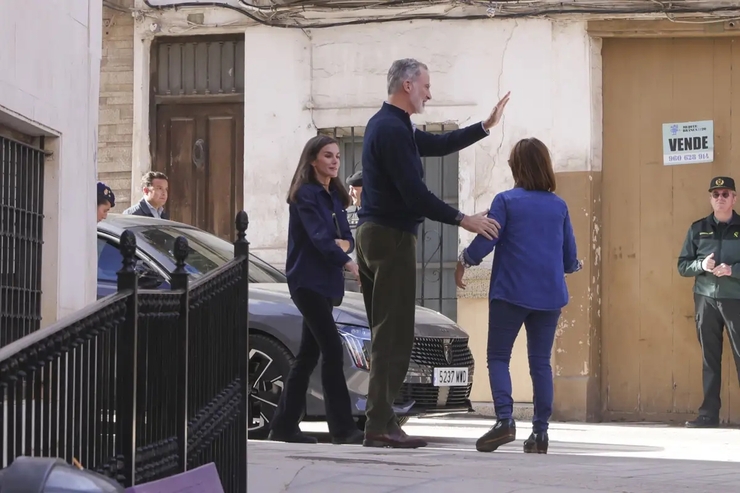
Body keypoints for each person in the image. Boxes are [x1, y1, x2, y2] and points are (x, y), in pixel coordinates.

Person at [356, 57, 509, 449]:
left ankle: (384, 420)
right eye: (425, 85)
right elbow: (415, 195)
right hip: (390, 237)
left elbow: (439, 145)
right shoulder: (391, 128)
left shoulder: (392, 124)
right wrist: (464, 219)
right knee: (395, 335)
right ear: (407, 85)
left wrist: (484, 126)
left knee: (385, 334)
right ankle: (378, 424)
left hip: (375, 234)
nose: (430, 92)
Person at [455, 137, 581, 454]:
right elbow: (569, 259)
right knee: (540, 363)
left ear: (516, 167)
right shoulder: (559, 205)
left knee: (498, 357)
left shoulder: (506, 201)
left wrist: (464, 262)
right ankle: (540, 435)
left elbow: (486, 240)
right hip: (550, 297)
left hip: (510, 293)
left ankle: (505, 421)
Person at [268, 135, 364, 445]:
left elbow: (346, 236)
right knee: (333, 349)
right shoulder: (305, 196)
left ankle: (283, 426)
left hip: (327, 283)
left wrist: (343, 246)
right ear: (312, 160)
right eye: (327, 156)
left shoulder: (335, 197)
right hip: (306, 281)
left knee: (307, 356)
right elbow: (321, 238)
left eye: (337, 155)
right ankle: (342, 429)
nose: (335, 161)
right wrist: (348, 261)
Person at [677, 176, 740, 429]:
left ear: (734, 198)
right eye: (716, 194)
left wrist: (733, 271)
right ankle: (708, 415)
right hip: (706, 299)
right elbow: (682, 265)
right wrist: (700, 265)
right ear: (710, 198)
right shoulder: (697, 228)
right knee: (709, 358)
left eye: (726, 194)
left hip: (735, 299)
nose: (720, 198)